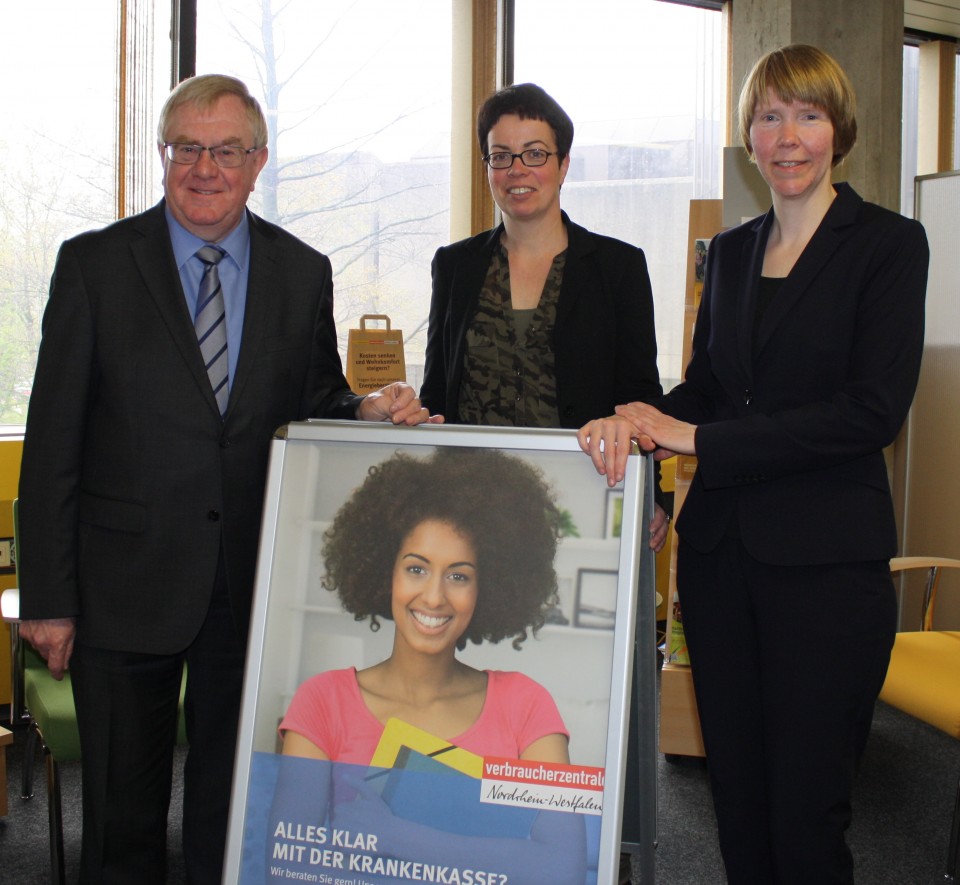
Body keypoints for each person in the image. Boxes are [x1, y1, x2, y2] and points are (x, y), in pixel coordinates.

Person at [16, 73, 433, 885]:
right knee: (121, 820)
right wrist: (49, 599)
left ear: (258, 161)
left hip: (247, 588)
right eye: (188, 149)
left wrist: (366, 409)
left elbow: (309, 396)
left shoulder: (301, 272)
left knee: (233, 804)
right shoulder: (95, 266)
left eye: (228, 150)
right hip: (120, 590)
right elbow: (52, 441)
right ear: (164, 156)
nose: (206, 168)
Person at [578, 45, 929, 884]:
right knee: (736, 799)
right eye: (769, 116)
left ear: (838, 128)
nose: (789, 136)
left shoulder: (887, 245)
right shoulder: (730, 253)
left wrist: (696, 438)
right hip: (720, 563)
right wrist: (642, 420)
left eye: (807, 114)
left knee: (807, 812)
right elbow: (709, 389)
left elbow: (869, 412)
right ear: (748, 136)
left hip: (825, 570)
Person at [279, 447, 587, 884]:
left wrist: (395, 836)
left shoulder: (526, 706)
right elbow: (287, 869)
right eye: (416, 569)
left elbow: (565, 868)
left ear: (489, 586)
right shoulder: (322, 702)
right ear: (385, 571)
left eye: (458, 575)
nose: (435, 597)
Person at [419, 82, 669, 555]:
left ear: (563, 164)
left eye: (534, 154)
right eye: (501, 156)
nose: (517, 170)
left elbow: (640, 397)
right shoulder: (456, 266)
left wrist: (651, 495)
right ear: (488, 167)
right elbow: (437, 393)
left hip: (583, 503)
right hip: (468, 509)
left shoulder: (618, 267)